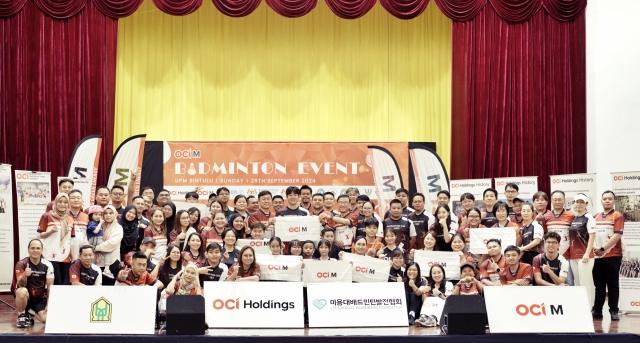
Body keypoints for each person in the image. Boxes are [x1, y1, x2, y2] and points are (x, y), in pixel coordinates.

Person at [592, 190, 625, 321]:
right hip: (597, 256)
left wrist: (602, 248)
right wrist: (595, 247)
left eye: (610, 199)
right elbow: (591, 234)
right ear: (601, 201)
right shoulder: (596, 216)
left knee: (612, 284)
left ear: (614, 201)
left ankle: (613, 311)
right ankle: (598, 310)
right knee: (599, 285)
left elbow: (617, 235)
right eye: (604, 199)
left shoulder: (617, 215)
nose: (607, 201)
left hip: (613, 255)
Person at [14, 239, 54, 328]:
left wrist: (48, 304)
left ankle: (30, 312)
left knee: (46, 320)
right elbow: (20, 285)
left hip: (40, 298)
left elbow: (50, 287)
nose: (35, 250)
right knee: (21, 291)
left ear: (42, 250)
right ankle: (22, 316)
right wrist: (25, 275)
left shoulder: (48, 265)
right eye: (32, 248)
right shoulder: (21, 263)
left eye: (38, 248)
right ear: (28, 250)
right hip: (26, 296)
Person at [37, 193, 73, 285]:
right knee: (56, 284)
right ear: (55, 203)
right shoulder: (47, 216)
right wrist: (50, 232)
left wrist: (73, 256)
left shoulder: (70, 218)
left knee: (64, 285)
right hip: (50, 255)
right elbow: (39, 235)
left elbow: (71, 239)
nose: (62, 204)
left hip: (65, 256)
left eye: (65, 202)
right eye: (60, 202)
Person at [569, 193, 596, 304]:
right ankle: (581, 307)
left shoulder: (589, 218)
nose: (579, 204)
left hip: (585, 257)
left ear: (586, 204)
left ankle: (588, 307)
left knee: (585, 283)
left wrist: (587, 253)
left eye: (582, 202)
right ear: (574, 203)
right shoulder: (574, 218)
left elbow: (592, 237)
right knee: (578, 283)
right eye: (577, 202)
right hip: (573, 255)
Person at [93, 205, 123, 285]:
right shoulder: (99, 226)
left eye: (111, 213)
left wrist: (96, 248)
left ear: (115, 214)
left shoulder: (118, 228)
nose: (108, 215)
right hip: (97, 261)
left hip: (111, 262)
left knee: (108, 289)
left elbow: (111, 243)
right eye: (106, 213)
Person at [67, 189, 89, 261]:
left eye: (78, 198)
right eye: (73, 198)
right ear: (68, 200)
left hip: (82, 254)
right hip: (66, 253)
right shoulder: (63, 216)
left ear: (82, 200)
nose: (76, 200)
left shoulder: (86, 217)